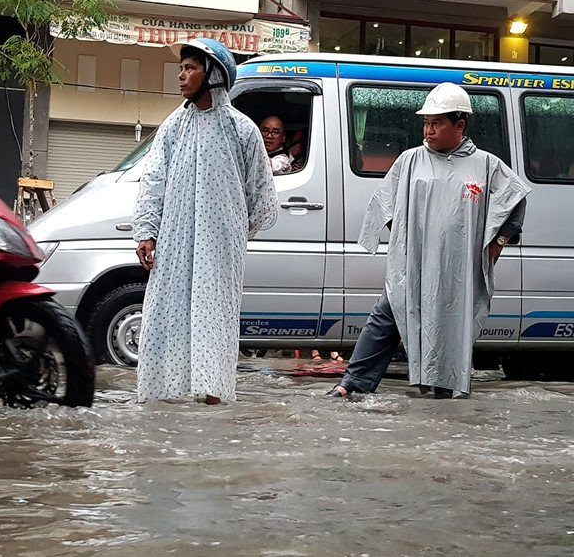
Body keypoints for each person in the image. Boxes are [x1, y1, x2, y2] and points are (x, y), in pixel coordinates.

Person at [329, 83, 530, 399]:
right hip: (414, 262)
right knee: (387, 315)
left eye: (437, 123)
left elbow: (515, 200)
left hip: (457, 269)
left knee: (448, 325)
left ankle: (444, 389)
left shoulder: (486, 165)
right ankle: (351, 384)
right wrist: (404, 236)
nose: (429, 130)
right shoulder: (410, 161)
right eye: (426, 122)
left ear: (459, 126)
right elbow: (385, 201)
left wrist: (495, 246)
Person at [132, 39, 279, 405]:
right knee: (168, 313)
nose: (181, 75)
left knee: (214, 318)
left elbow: (260, 193)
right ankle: (164, 396)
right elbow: (153, 180)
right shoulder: (172, 126)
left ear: (212, 73)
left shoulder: (241, 129)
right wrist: (147, 232)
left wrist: (232, 234)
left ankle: (211, 397)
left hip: (220, 245)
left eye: (190, 67)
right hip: (175, 241)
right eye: (181, 68)